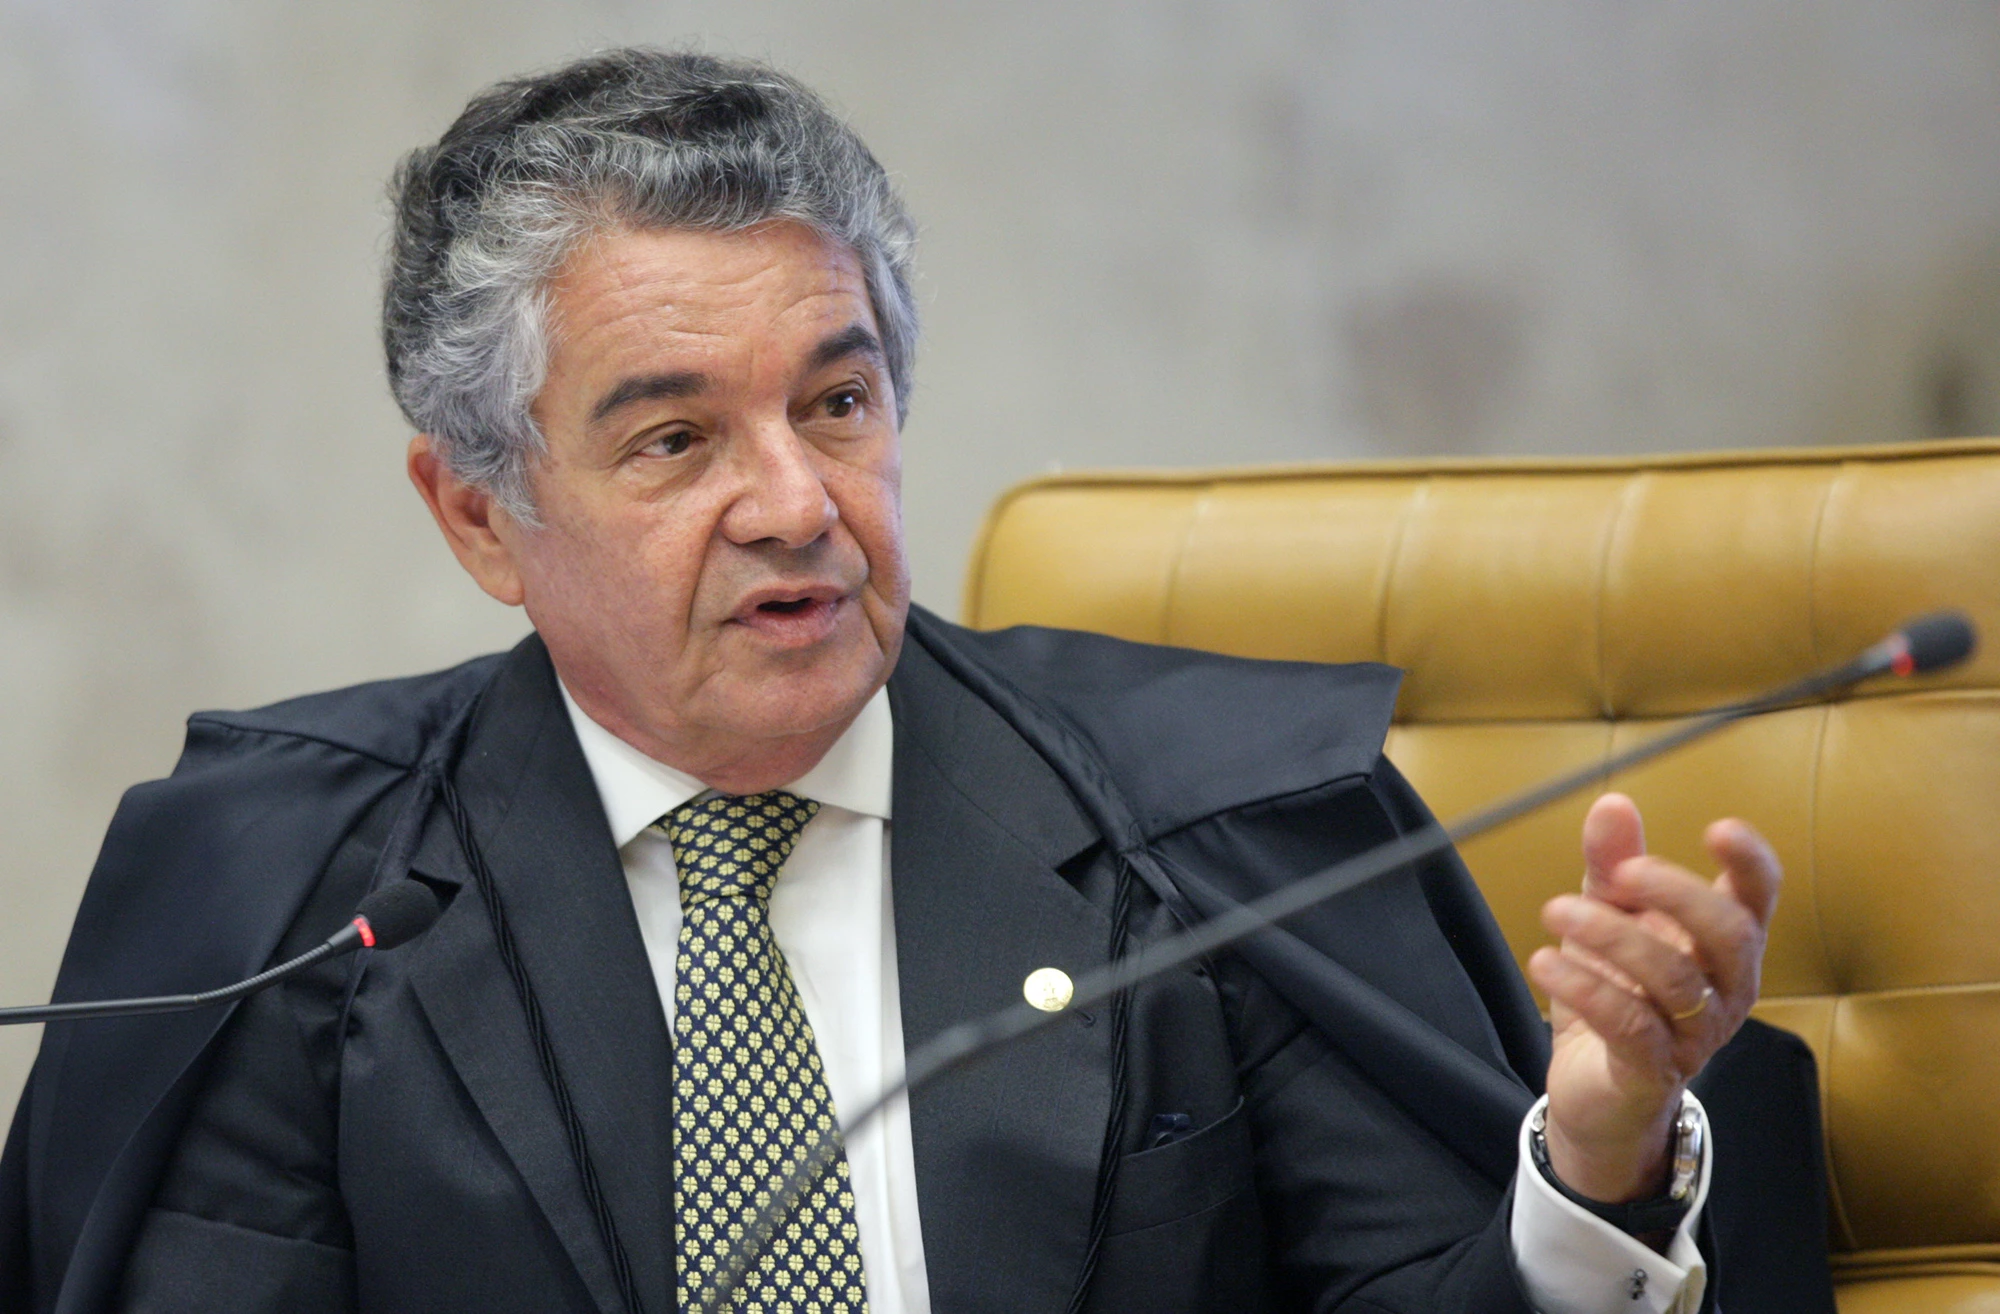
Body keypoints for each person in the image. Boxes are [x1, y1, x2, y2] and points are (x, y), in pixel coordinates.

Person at [0, 50, 1784, 1314]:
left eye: (836, 403)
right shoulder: (295, 902)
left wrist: (1600, 1164)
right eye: (679, 436)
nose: (794, 505)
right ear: (481, 513)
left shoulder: (1219, 832)